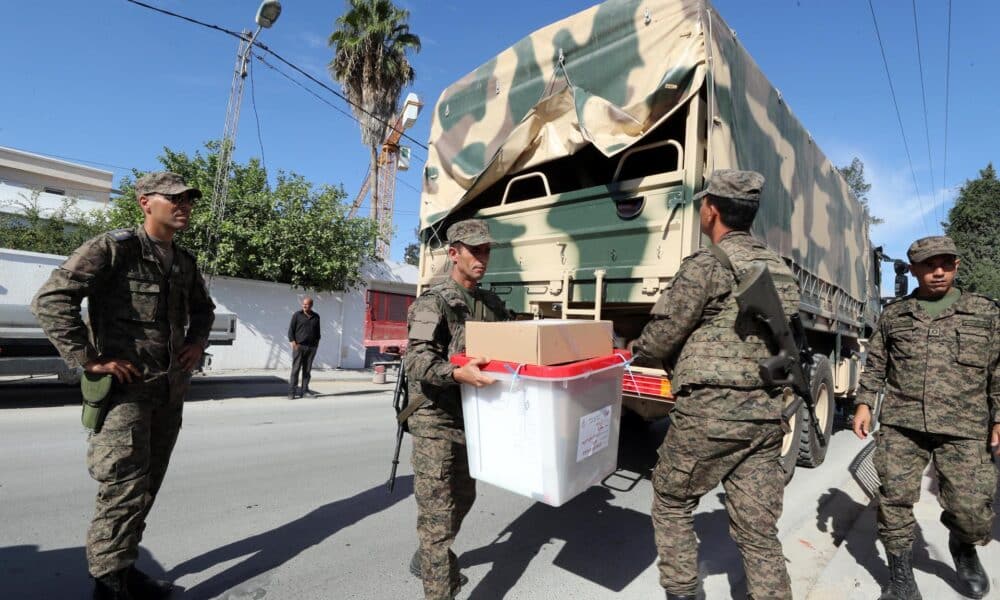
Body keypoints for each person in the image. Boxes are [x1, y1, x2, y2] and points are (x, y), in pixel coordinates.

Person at [32, 171, 215, 600]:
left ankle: (124, 570)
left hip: (168, 394)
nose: (184, 205)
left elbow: (203, 311)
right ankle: (108, 585)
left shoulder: (183, 263)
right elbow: (51, 300)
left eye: (188, 199)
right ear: (145, 202)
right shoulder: (114, 249)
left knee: (146, 488)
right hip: (125, 396)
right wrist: (88, 360)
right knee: (122, 489)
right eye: (174, 198)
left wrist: (196, 343)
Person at [632, 169, 800, 600]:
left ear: (711, 210)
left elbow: (663, 336)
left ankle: (684, 593)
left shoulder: (705, 265)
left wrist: (635, 350)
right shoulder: (780, 269)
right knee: (758, 531)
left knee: (671, 499)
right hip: (765, 414)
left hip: (711, 412)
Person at [853, 235, 1000, 600]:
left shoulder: (985, 313)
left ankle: (963, 547)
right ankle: (901, 580)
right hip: (903, 424)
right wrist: (864, 403)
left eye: (946, 264)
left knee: (972, 511)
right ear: (914, 269)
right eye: (929, 265)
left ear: (957, 266)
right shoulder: (895, 315)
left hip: (965, 426)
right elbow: (876, 365)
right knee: (895, 500)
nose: (938, 272)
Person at [402, 219, 511, 600]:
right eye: (474, 250)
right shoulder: (433, 302)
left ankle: (430, 556)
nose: (483, 258)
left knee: (463, 498)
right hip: (435, 418)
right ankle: (437, 580)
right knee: (436, 523)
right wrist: (457, 373)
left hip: (474, 418)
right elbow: (416, 362)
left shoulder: (492, 304)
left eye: (486, 251)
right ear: (454, 253)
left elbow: (517, 345)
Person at [287, 296, 321, 398]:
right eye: (303, 304)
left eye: (307, 304)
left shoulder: (316, 317)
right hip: (299, 346)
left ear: (311, 305)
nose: (304, 305)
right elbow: (291, 330)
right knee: (296, 369)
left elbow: (318, 332)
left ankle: (305, 391)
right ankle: (292, 392)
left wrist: (316, 345)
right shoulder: (297, 315)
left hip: (311, 348)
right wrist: (293, 343)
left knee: (307, 370)